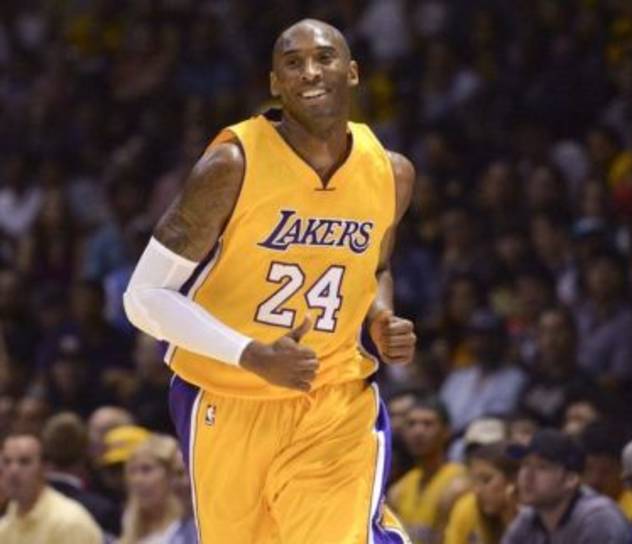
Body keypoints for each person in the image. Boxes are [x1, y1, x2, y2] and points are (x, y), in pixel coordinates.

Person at [122, 19, 417, 543]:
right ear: (275, 84)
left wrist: (379, 317)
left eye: (324, 58)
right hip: (226, 399)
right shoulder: (231, 165)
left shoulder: (391, 173)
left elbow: (375, 267)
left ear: (352, 72)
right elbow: (143, 298)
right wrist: (251, 355)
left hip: (333, 397)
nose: (310, 72)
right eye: (293, 63)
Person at [502, 428, 632, 543]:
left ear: (570, 479)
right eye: (525, 464)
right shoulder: (529, 517)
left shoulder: (599, 518)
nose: (527, 476)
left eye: (542, 467)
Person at [389, 397, 467, 544]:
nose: (418, 431)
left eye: (428, 424)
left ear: (446, 432)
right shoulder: (399, 489)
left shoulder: (459, 483)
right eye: (411, 424)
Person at [0, 433, 103, 544]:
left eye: (24, 462)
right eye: (7, 462)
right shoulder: (5, 525)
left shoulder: (69, 522)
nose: (13, 471)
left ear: (44, 468)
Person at [444, 442, 519, 544]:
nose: (477, 491)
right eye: (474, 481)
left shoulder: (533, 520)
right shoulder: (468, 508)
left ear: (513, 480)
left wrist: (511, 521)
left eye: (486, 480)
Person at [120, 434, 187, 544]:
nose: (137, 480)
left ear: (171, 474)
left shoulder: (192, 526)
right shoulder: (128, 530)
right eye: (132, 471)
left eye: (147, 469)